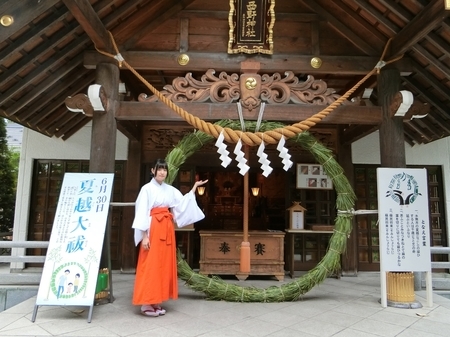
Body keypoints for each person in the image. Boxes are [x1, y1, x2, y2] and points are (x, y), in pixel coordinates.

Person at [131, 159, 207, 317]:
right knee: (151, 264)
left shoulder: (170, 190)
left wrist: (193, 187)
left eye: (164, 170)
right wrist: (145, 236)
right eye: (159, 169)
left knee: (163, 264)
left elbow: (181, 205)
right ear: (153, 171)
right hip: (153, 228)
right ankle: (146, 303)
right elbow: (142, 212)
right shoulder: (146, 189)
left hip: (166, 228)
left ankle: (156, 301)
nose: (162, 172)